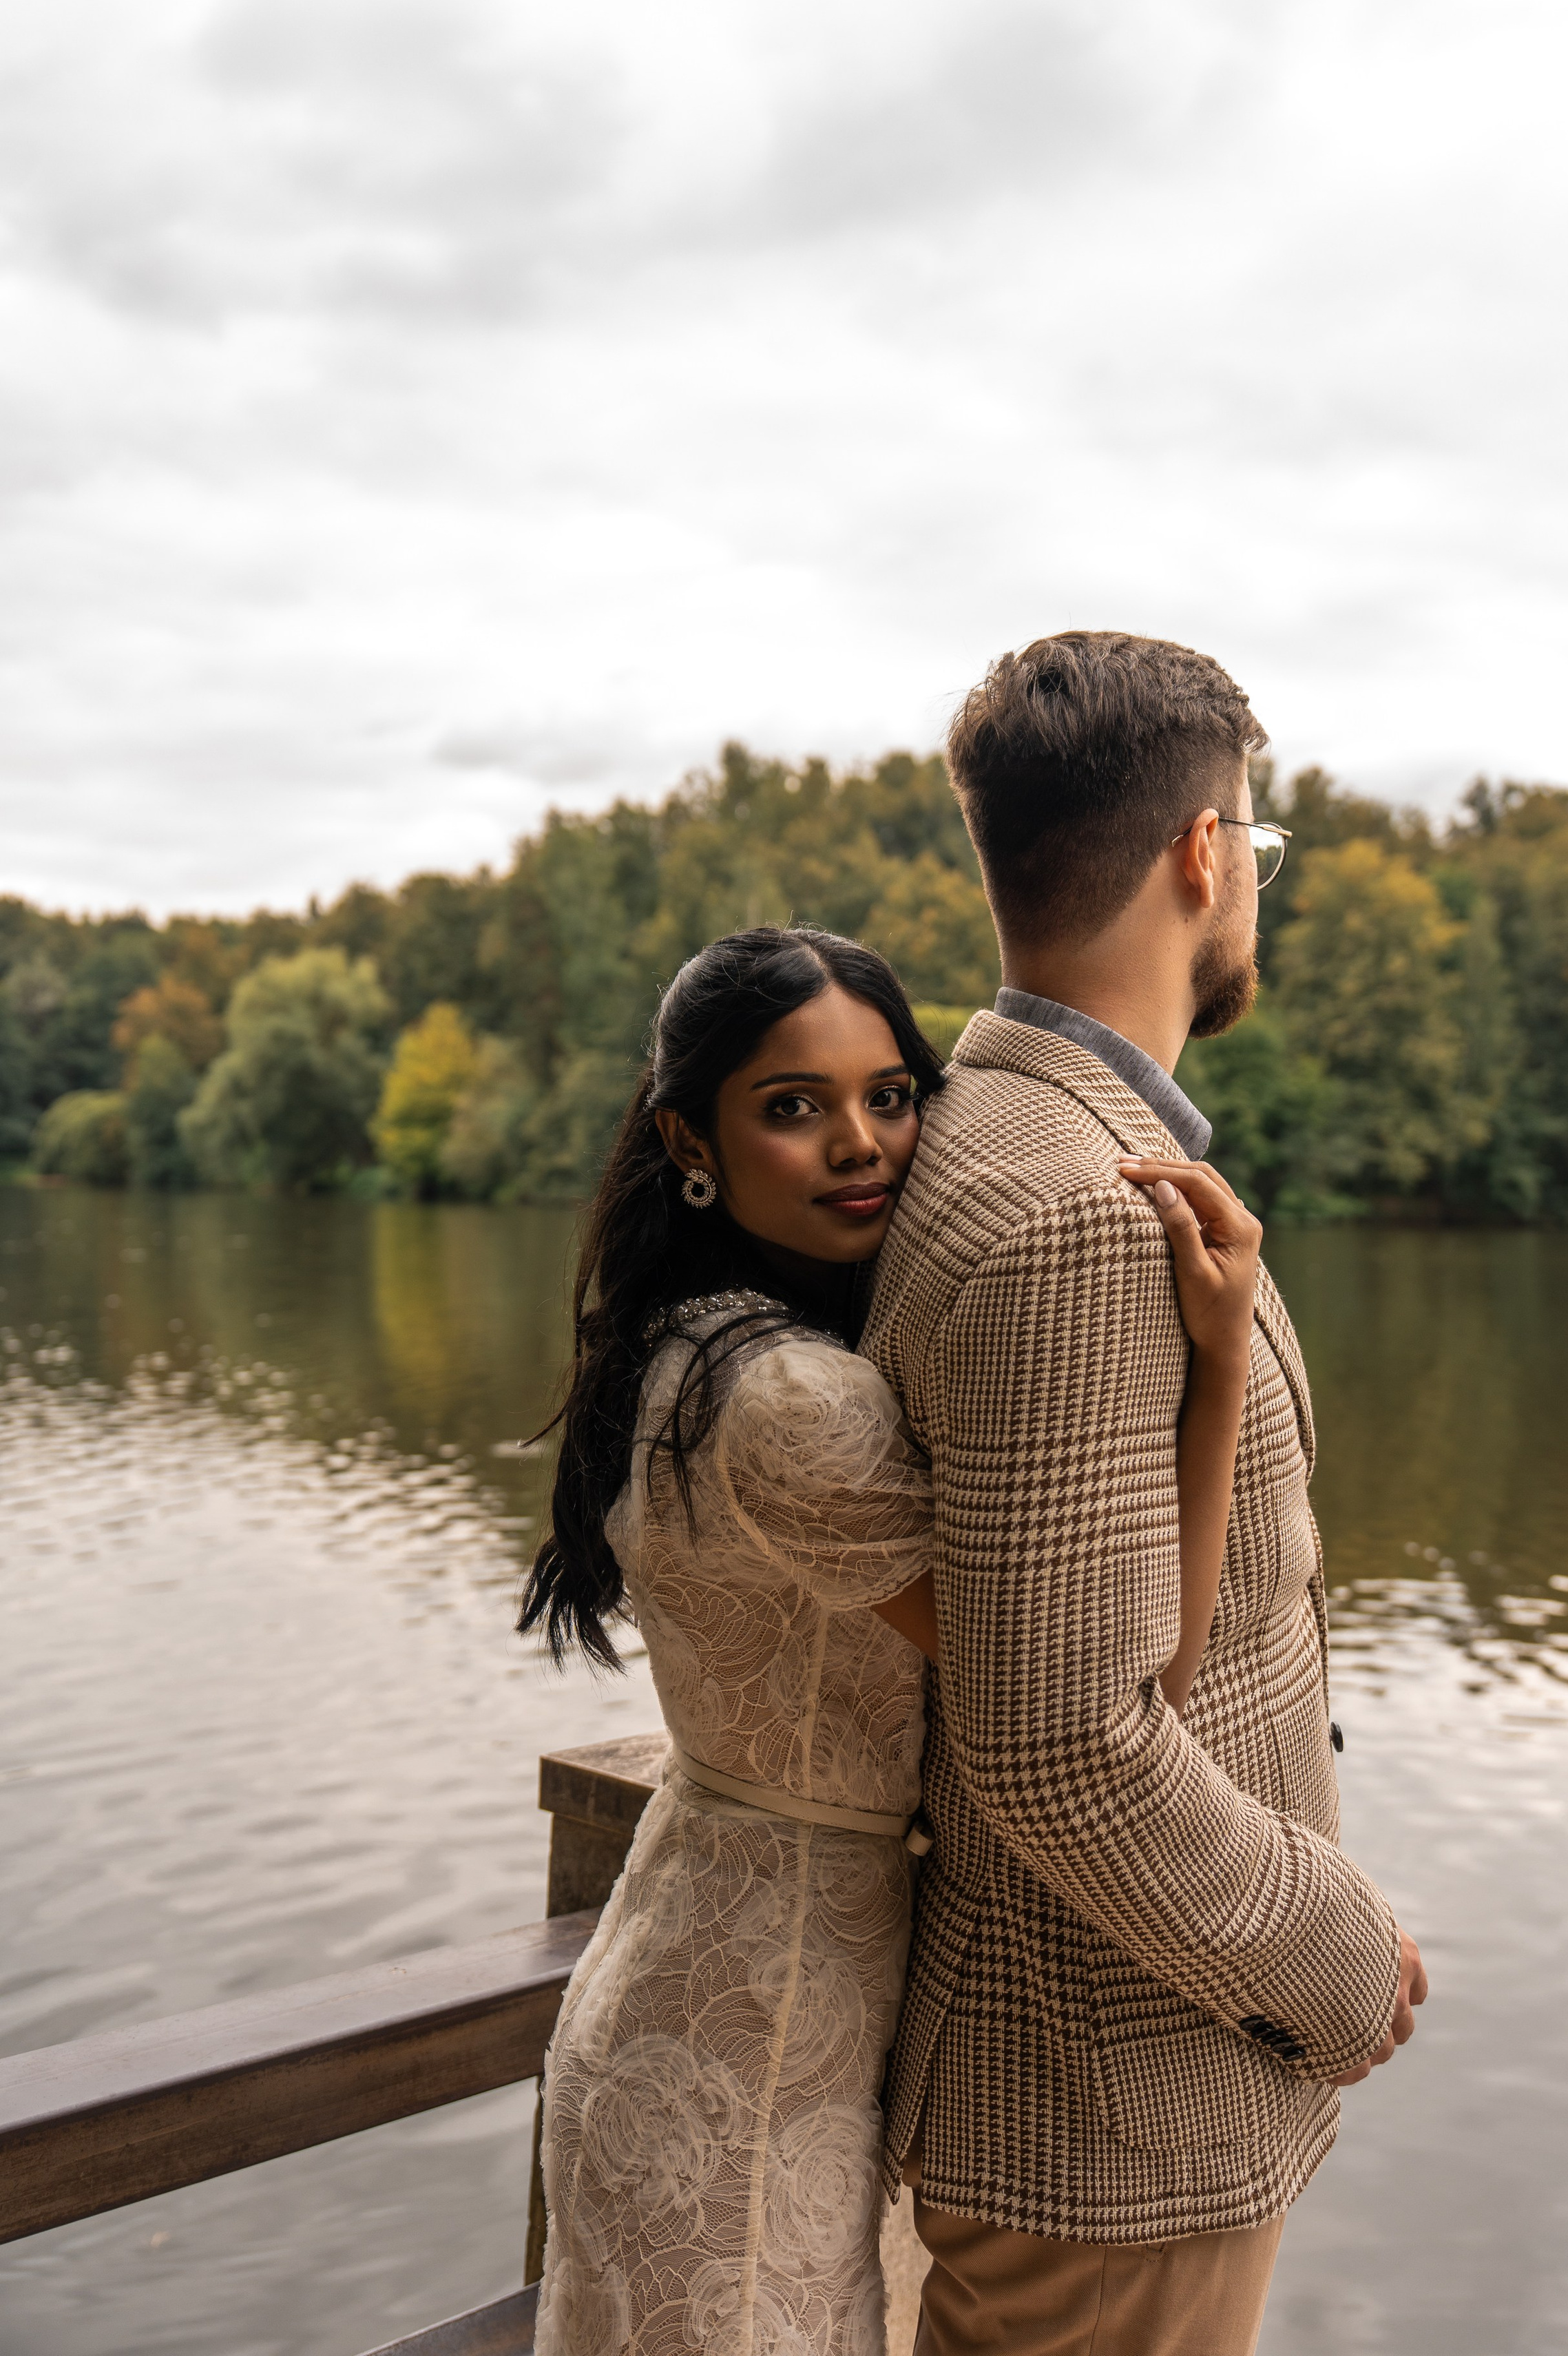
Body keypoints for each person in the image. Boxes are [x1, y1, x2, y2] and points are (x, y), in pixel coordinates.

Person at [517, 922, 1251, 2356]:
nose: (859, 1143)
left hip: (732, 1977)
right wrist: (1213, 1369)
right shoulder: (789, 1397)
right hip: (750, 2042)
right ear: (690, 1139)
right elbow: (1128, 1673)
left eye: (889, 1094)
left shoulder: (697, 1336)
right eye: (792, 1107)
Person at [861, 632, 1429, 2356]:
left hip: (1109, 2090)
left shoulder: (1018, 1136)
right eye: (1250, 852)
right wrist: (1325, 1952)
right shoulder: (1066, 1210)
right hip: (1105, 2116)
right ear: (1198, 854)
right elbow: (1058, 1739)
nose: (1247, 888)